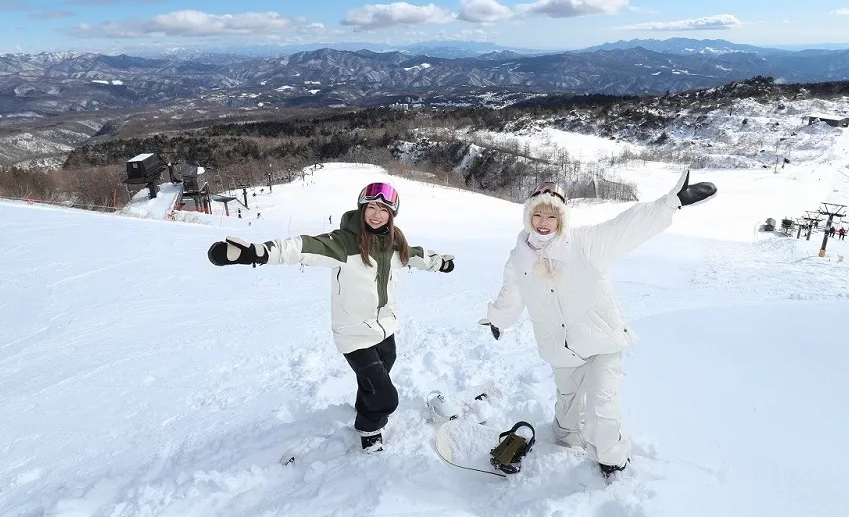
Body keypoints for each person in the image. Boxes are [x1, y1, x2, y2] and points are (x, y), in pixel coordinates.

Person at [479, 170, 716, 479]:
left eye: (551, 215)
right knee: (566, 419)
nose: (543, 221)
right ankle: (565, 446)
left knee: (602, 412)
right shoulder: (519, 259)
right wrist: (498, 319)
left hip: (601, 341)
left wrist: (670, 203)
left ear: (562, 218)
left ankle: (614, 465)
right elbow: (510, 295)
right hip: (560, 350)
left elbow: (626, 227)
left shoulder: (585, 243)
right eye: (537, 213)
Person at [207, 182, 455, 452]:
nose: (376, 214)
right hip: (354, 334)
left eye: (383, 209)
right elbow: (302, 246)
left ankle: (365, 415)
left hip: (386, 329)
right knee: (385, 397)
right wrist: (256, 252)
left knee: (372, 384)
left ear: (391, 215)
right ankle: (370, 428)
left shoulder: (394, 244)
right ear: (361, 209)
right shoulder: (344, 243)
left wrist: (439, 262)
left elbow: (416, 256)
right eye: (371, 207)